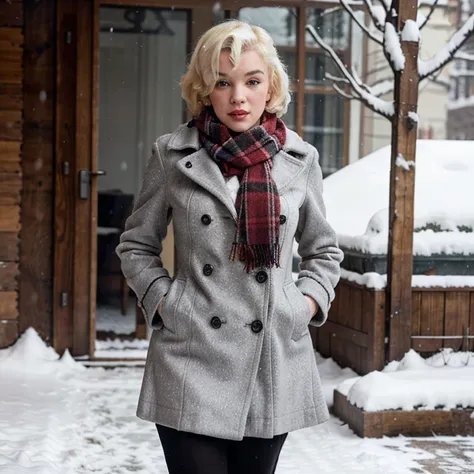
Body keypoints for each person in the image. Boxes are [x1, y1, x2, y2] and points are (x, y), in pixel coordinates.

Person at [116, 19, 343, 474]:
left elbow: (324, 252)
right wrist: (166, 302)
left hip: (270, 362)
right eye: (223, 82)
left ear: (270, 86)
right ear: (205, 90)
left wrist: (301, 306)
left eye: (252, 81)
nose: (238, 97)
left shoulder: (300, 161)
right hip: (191, 354)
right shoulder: (174, 155)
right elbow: (137, 245)